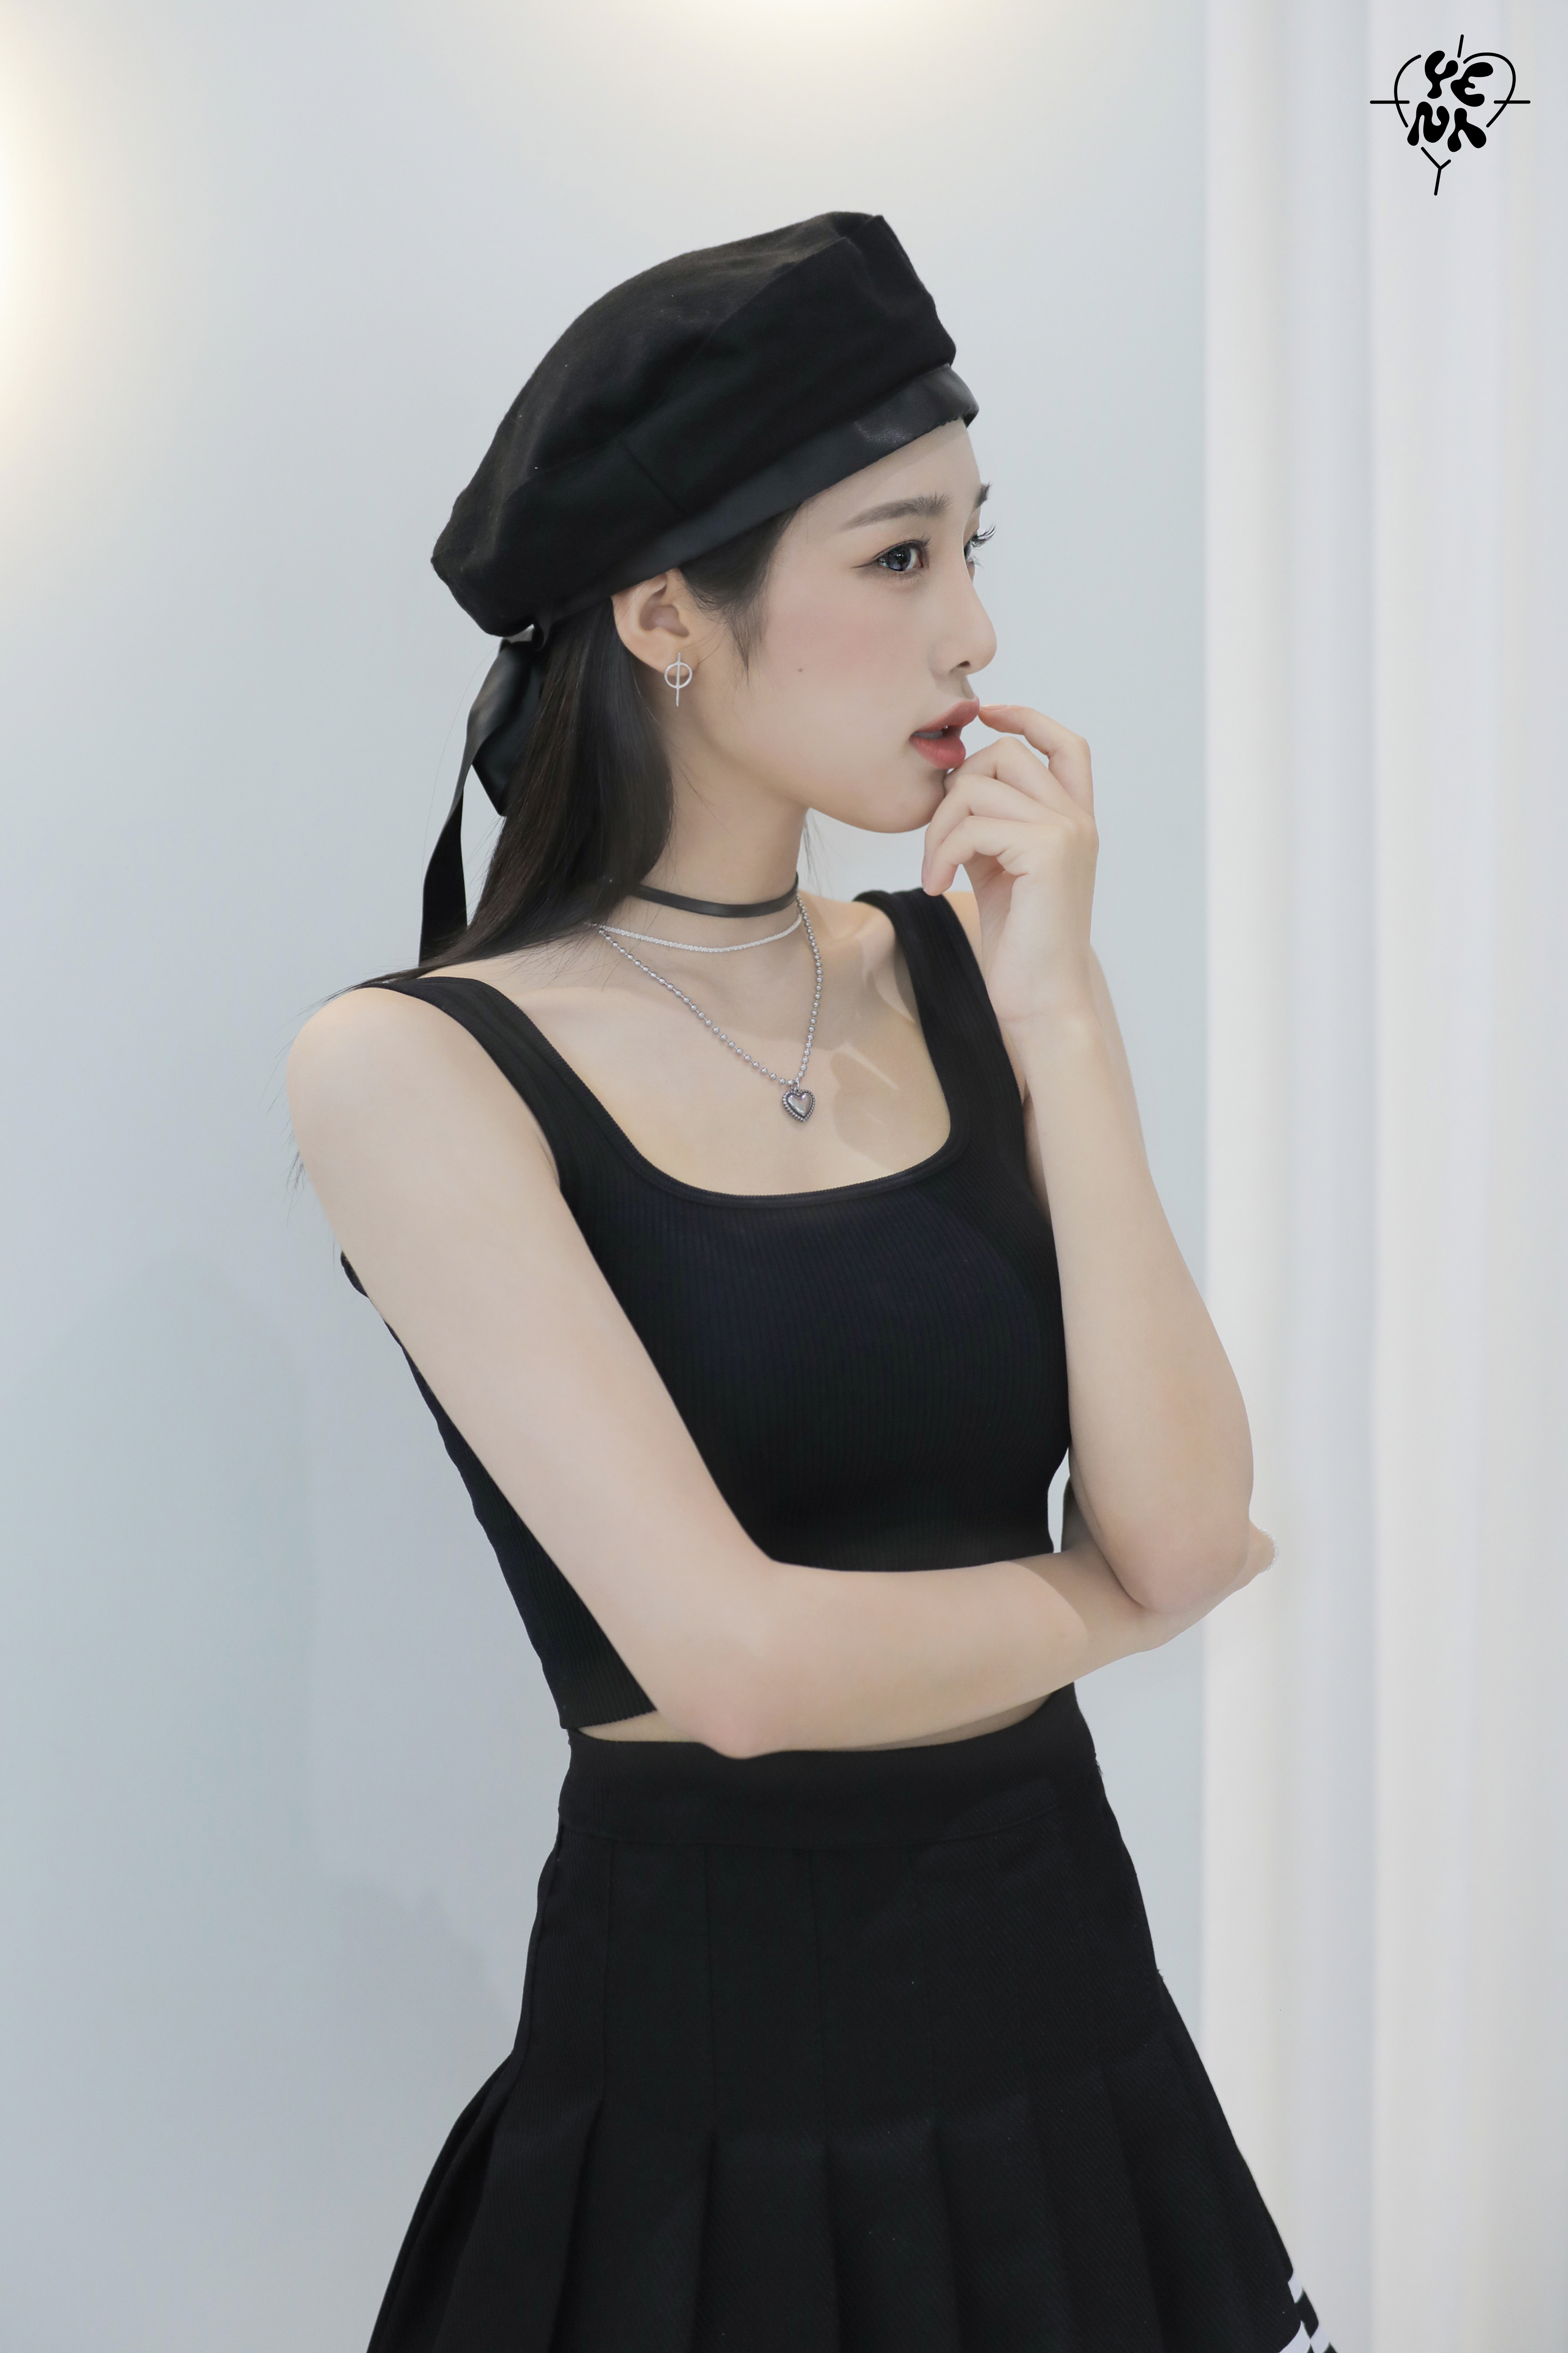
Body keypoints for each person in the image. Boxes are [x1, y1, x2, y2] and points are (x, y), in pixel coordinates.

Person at [288, 214, 1334, 2353]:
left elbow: (1184, 1505)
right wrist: (1124, 1609)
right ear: (667, 612)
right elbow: (739, 1664)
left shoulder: (970, 976)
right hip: (711, 2106)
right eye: (898, 556)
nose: (976, 629)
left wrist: (1060, 1010)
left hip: (1075, 2048)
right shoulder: (414, 1064)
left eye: (973, 546)